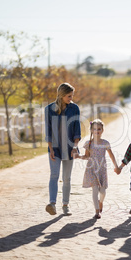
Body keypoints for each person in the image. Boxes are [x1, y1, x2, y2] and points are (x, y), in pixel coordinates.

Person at [44, 82, 81, 216]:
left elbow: (77, 129)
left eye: (72, 96)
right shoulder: (49, 109)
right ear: (61, 95)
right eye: (69, 96)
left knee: (67, 178)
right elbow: (48, 130)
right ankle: (52, 204)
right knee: (54, 175)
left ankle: (65, 205)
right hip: (54, 148)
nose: (71, 99)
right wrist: (50, 148)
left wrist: (75, 147)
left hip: (70, 148)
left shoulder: (74, 108)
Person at [75, 119, 118, 219]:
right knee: (94, 190)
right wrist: (79, 156)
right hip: (91, 169)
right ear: (91, 130)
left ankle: (101, 202)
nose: (97, 131)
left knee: (102, 191)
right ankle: (97, 211)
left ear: (102, 130)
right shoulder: (88, 143)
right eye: (94, 129)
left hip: (102, 169)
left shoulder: (105, 143)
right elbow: (86, 156)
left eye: (99, 129)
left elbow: (111, 155)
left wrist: (116, 166)